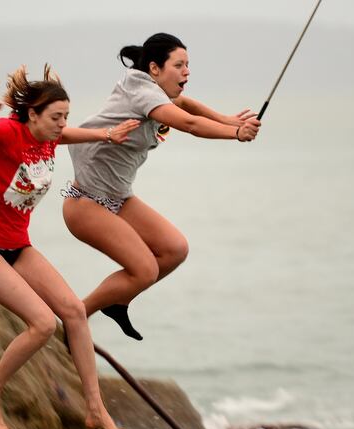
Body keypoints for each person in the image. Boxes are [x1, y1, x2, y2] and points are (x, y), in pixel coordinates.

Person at [0, 64, 138, 429]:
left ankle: (95, 408)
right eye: (56, 117)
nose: (62, 124)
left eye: (66, 116)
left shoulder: (48, 137)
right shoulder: (4, 133)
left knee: (75, 312)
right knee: (44, 324)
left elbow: (68, 136)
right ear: (32, 114)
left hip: (18, 246)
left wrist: (107, 134)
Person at [63, 33, 260, 341]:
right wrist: (235, 134)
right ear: (154, 69)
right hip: (85, 202)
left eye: (188, 65)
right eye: (179, 65)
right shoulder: (142, 93)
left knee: (174, 249)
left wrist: (228, 119)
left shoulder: (153, 89)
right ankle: (74, 319)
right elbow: (189, 124)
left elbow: (185, 104)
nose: (187, 72)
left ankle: (117, 302)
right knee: (144, 270)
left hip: (118, 198)